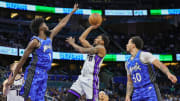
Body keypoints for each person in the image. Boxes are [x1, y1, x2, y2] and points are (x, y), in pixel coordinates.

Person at [8, 4, 78, 101]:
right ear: (40, 28)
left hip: (44, 74)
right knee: (29, 98)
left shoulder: (50, 37)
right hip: (34, 73)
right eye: (44, 23)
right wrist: (13, 78)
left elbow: (62, 23)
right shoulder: (35, 42)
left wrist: (72, 11)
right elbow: (22, 61)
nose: (47, 25)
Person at [125, 36, 177, 101]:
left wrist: (168, 73)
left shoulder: (144, 55)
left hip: (149, 89)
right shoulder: (127, 63)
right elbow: (129, 81)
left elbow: (159, 64)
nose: (126, 45)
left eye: (128, 43)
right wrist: (127, 95)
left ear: (133, 45)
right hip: (136, 92)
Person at [65, 25, 109, 101]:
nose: (95, 39)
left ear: (102, 42)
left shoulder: (101, 49)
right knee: (69, 98)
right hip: (82, 77)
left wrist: (72, 44)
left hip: (91, 79)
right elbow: (81, 39)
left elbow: (82, 50)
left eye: (98, 38)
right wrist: (91, 27)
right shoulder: (92, 48)